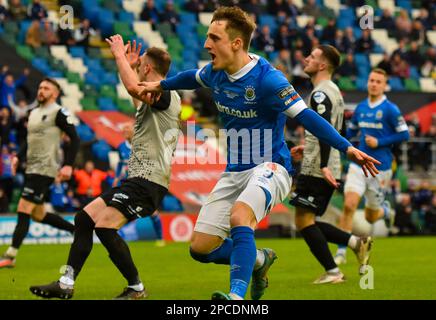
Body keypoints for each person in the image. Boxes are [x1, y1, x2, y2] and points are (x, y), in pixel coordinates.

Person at [136, 6, 380, 301]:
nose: (206, 44)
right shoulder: (216, 73)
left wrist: (348, 146)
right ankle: (260, 260)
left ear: (236, 43)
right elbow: (190, 77)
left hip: (272, 168)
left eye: (214, 38)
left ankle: (236, 298)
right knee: (200, 249)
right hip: (234, 171)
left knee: (241, 217)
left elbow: (306, 117)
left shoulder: (268, 80)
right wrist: (161, 84)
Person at [29, 38, 181, 300]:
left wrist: (119, 56)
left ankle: (136, 288)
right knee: (83, 219)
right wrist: (132, 68)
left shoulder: (166, 93)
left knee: (105, 227)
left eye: (141, 64)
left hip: (148, 181)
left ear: (148, 69)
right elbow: (138, 97)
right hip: (138, 179)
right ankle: (66, 282)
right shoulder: (155, 97)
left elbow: (134, 89)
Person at [289, 45, 373, 284]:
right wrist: (311, 147)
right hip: (323, 160)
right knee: (307, 220)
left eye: (312, 57)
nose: (306, 58)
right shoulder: (335, 91)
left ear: (322, 65)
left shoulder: (318, 94)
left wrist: (323, 163)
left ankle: (334, 272)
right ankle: (356, 243)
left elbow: (327, 133)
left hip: (317, 166)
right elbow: (339, 131)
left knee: (304, 221)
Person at [0, 78, 79, 269]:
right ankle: (76, 230)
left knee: (23, 207)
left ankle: (11, 255)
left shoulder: (59, 112)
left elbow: (75, 138)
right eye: (40, 87)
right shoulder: (33, 112)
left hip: (45, 169)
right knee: (38, 215)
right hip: (31, 167)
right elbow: (30, 140)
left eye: (46, 88)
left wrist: (68, 165)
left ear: (55, 94)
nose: (41, 90)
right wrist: (18, 156)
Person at [334, 68, 410, 265]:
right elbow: (351, 132)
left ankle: (386, 212)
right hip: (358, 165)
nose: (374, 84)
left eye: (378, 81)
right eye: (371, 80)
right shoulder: (360, 108)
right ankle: (341, 251)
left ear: (384, 85)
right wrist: (337, 142)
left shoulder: (390, 109)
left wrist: (380, 142)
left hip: (380, 168)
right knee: (349, 205)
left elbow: (405, 134)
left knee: (370, 216)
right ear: (367, 82)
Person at [113, 122, 165, 247]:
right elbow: (121, 164)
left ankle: (160, 238)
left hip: (143, 183)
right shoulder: (121, 147)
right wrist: (116, 178)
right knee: (120, 210)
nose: (124, 130)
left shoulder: (143, 144)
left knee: (152, 211)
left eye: (127, 128)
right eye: (123, 128)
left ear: (134, 129)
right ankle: (118, 238)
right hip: (128, 184)